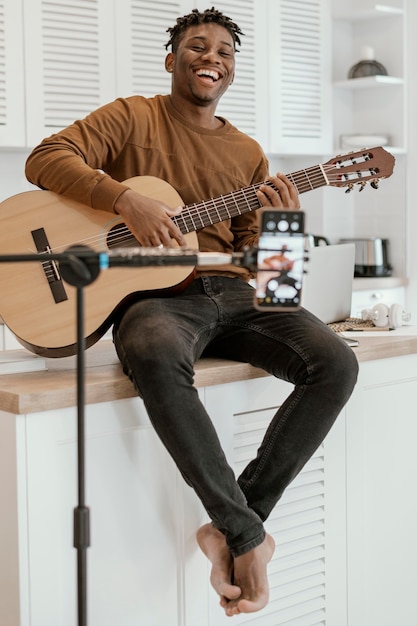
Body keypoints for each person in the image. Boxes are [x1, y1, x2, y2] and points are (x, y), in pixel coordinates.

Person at [25, 7, 358, 617]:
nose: (213, 57)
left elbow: (276, 284)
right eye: (198, 46)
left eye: (226, 51)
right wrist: (126, 197)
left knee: (336, 362)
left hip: (234, 293)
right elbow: (45, 158)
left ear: (232, 71)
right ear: (172, 59)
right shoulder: (133, 116)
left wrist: (288, 222)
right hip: (153, 296)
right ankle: (248, 537)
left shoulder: (249, 152)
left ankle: (235, 527)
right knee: (152, 349)